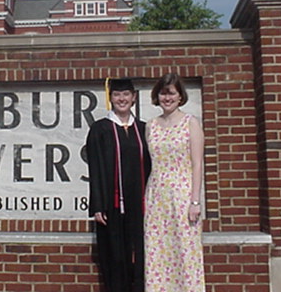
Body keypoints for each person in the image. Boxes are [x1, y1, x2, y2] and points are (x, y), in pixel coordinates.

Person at [85, 78, 152, 292]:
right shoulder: (100, 129)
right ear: (110, 98)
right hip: (112, 207)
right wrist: (97, 205)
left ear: (134, 98)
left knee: (141, 258)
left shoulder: (144, 129)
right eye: (116, 95)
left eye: (126, 94)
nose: (121, 99)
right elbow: (95, 168)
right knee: (115, 258)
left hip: (140, 207)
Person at [144, 72, 205, 291]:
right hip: (156, 197)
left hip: (182, 197)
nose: (167, 98)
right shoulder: (151, 126)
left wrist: (195, 202)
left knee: (185, 252)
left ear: (180, 96)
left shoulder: (191, 123)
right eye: (163, 93)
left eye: (171, 93)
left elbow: (197, 164)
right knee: (157, 254)